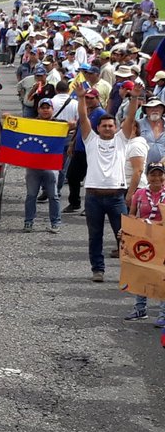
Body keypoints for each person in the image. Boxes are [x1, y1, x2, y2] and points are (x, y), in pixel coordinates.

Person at [77, 99, 138, 282]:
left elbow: (131, 116)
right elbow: (82, 117)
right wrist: (81, 97)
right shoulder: (90, 140)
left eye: (111, 126)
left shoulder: (122, 140)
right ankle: (98, 270)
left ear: (116, 127)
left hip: (116, 197)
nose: (107, 128)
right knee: (95, 236)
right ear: (98, 128)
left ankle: (129, 271)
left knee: (124, 236)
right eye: (104, 126)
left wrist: (134, 98)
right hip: (93, 197)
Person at [125, 163, 165, 324]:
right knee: (142, 274)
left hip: (162, 239)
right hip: (144, 239)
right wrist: (132, 226)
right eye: (152, 174)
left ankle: (163, 314)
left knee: (162, 277)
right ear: (147, 176)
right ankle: (140, 308)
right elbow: (132, 214)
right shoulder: (140, 194)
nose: (156, 178)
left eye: (160, 174)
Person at [23, 100, 64, 234]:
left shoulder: (59, 124)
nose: (45, 110)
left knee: (53, 196)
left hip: (51, 166)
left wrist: (72, 125)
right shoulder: (31, 124)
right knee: (31, 195)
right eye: (43, 108)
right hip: (33, 165)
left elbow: (76, 126)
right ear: (38, 110)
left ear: (52, 109)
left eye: (48, 107)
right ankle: (28, 222)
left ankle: (55, 223)